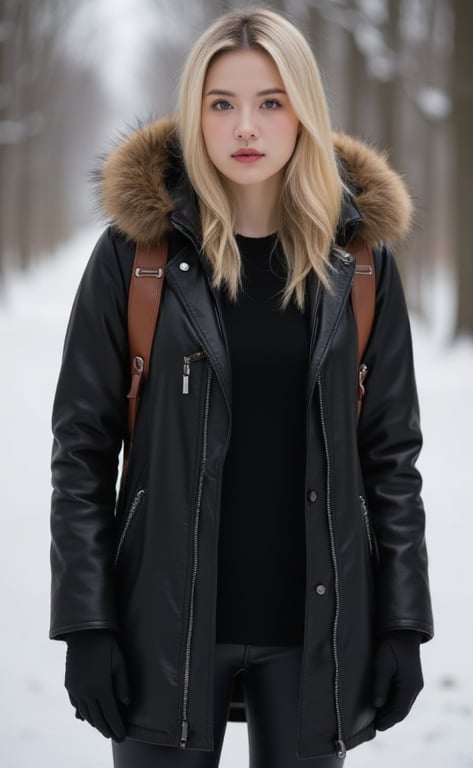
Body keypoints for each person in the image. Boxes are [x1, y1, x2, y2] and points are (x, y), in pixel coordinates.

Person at [49, 7, 434, 768]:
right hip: (162, 627)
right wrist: (87, 624)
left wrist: (402, 625)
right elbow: (81, 452)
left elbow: (391, 456)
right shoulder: (135, 259)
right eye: (222, 103)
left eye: (271, 101)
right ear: (195, 112)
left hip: (314, 633)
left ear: (304, 112)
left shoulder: (357, 265)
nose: (246, 127)